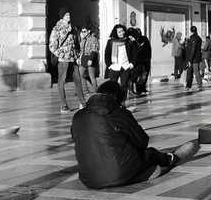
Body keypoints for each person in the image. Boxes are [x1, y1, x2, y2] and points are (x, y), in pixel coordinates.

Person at [71, 81, 199, 189]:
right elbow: (142, 142)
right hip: (120, 173)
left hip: (89, 180)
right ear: (118, 98)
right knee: (150, 154)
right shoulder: (119, 113)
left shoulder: (78, 116)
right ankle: (171, 158)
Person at [49, 8, 86, 113]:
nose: (69, 17)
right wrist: (61, 54)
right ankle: (63, 105)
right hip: (63, 60)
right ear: (62, 17)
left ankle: (83, 103)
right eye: (66, 15)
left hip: (73, 59)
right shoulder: (57, 29)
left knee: (78, 80)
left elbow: (76, 44)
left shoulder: (73, 28)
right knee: (62, 81)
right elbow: (52, 45)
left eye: (69, 15)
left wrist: (78, 55)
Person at [104, 24, 135, 95]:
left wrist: (132, 64)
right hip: (114, 67)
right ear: (116, 33)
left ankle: (122, 102)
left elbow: (134, 53)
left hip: (126, 66)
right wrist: (109, 65)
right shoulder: (111, 42)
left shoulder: (128, 41)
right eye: (119, 32)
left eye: (122, 31)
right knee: (113, 85)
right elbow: (107, 54)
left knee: (124, 85)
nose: (122, 33)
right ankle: (113, 101)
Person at [127, 28, 151, 96]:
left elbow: (148, 49)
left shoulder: (144, 39)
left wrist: (148, 58)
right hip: (137, 61)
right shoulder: (132, 40)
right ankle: (135, 89)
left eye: (139, 32)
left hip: (146, 60)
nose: (138, 33)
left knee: (144, 76)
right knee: (136, 76)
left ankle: (142, 88)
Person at [77, 25, 99, 96]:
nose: (83, 33)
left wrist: (91, 59)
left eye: (84, 31)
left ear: (88, 31)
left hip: (90, 58)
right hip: (83, 58)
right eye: (82, 31)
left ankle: (96, 91)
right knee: (80, 75)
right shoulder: (83, 40)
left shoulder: (93, 38)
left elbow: (94, 50)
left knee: (91, 76)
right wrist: (78, 58)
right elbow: (81, 50)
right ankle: (85, 91)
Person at [185, 26, 203, 90]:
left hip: (193, 58)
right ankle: (191, 86)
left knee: (193, 72)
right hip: (197, 58)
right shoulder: (199, 38)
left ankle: (197, 85)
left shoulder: (193, 38)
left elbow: (193, 49)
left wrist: (190, 59)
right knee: (194, 72)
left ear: (191, 31)